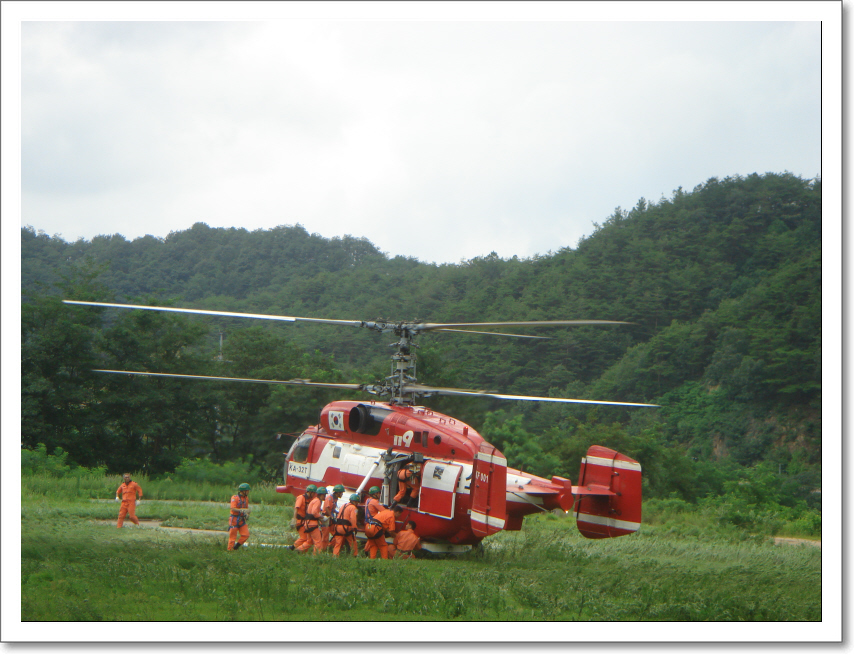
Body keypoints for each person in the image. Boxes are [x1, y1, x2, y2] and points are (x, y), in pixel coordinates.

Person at [298, 486, 326, 554]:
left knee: (309, 541)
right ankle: (316, 558)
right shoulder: (318, 501)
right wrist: (322, 517)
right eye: (324, 494)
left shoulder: (314, 500)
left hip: (307, 523)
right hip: (312, 524)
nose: (325, 496)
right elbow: (314, 512)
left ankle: (298, 550)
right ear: (321, 495)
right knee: (318, 542)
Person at [332, 494, 360, 558]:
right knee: (353, 541)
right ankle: (355, 555)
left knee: (338, 543)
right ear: (355, 501)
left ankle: (335, 556)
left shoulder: (343, 505)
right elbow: (353, 518)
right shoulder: (353, 508)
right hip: (346, 527)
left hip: (338, 526)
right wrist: (354, 527)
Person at [291, 484, 317, 551]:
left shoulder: (311, 499)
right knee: (304, 538)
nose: (314, 495)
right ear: (310, 492)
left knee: (308, 539)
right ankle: (292, 548)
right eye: (314, 493)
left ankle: (301, 551)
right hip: (300, 521)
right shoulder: (301, 498)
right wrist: (294, 519)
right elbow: (296, 508)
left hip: (306, 521)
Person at [228, 483, 252, 551]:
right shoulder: (234, 498)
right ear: (243, 491)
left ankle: (236, 547)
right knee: (232, 537)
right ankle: (230, 550)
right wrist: (242, 510)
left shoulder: (246, 498)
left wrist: (247, 514)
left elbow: (246, 508)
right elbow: (232, 508)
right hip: (234, 519)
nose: (248, 492)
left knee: (246, 535)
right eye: (247, 490)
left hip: (242, 520)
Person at [321, 484, 345, 552]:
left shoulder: (335, 499)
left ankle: (329, 546)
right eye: (341, 493)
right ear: (337, 492)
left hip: (330, 519)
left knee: (336, 533)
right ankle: (322, 550)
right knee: (325, 537)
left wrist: (339, 513)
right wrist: (331, 517)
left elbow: (333, 509)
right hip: (326, 518)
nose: (342, 494)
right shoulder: (329, 498)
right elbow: (326, 508)